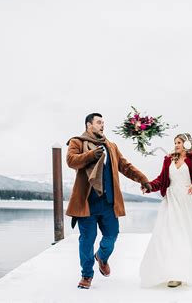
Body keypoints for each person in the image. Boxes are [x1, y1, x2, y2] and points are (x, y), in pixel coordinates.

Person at [66, 112, 152, 289]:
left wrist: (143, 179)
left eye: (103, 122)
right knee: (87, 240)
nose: (102, 125)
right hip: (87, 203)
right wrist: (90, 155)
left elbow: (125, 166)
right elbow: (71, 161)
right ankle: (86, 275)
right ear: (88, 125)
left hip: (108, 203)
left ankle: (102, 257)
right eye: (98, 122)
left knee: (112, 236)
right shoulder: (77, 142)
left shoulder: (111, 146)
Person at [139, 133, 192, 288]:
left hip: (188, 201)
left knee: (186, 235)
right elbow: (161, 180)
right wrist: (149, 186)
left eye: (179, 142)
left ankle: (183, 272)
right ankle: (171, 272)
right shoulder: (168, 159)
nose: (176, 145)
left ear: (187, 143)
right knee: (170, 235)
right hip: (171, 202)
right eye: (175, 142)